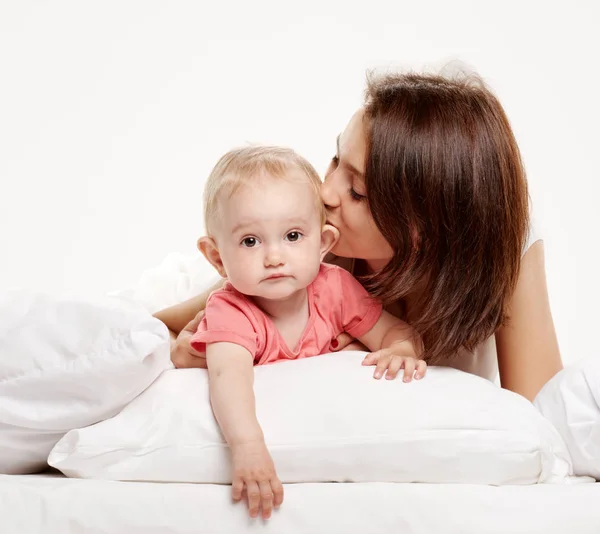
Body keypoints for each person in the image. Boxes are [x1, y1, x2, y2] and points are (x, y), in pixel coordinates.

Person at [156, 68, 563, 404]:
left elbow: (542, 414)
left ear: (426, 227)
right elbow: (170, 323)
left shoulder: (506, 248)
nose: (326, 192)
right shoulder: (304, 250)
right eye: (336, 160)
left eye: (357, 192)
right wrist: (188, 351)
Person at [192, 145, 426, 520]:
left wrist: (401, 348)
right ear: (217, 257)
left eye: (293, 236)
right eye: (250, 241)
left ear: (324, 244)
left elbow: (394, 331)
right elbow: (228, 376)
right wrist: (247, 445)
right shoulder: (231, 309)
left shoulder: (335, 288)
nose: (274, 256)